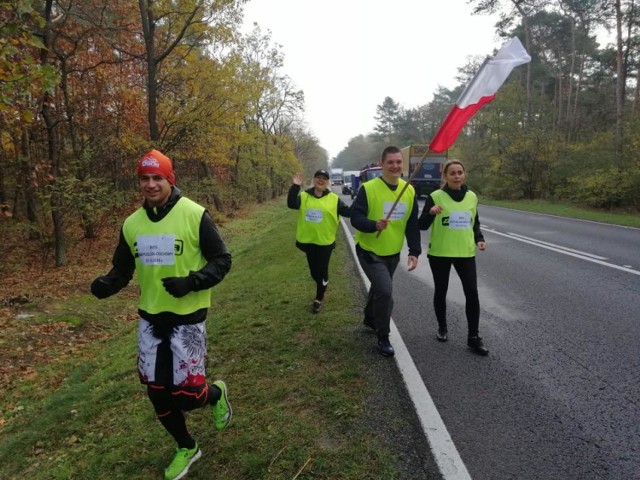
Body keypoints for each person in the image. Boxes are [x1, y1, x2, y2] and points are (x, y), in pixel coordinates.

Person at [90, 149, 233, 479]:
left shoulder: (194, 214)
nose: (151, 185)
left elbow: (222, 260)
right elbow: (122, 269)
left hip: (188, 317)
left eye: (157, 178)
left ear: (170, 179)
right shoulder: (132, 224)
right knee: (157, 392)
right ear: (139, 182)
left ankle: (216, 394)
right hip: (151, 320)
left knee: (186, 395)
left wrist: (192, 282)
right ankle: (187, 446)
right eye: (144, 178)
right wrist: (105, 285)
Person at [350, 146, 421, 357]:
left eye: (399, 162)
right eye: (391, 162)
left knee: (380, 289)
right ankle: (383, 337)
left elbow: (411, 224)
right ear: (382, 164)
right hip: (369, 251)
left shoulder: (408, 190)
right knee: (385, 292)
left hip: (392, 252)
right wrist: (374, 225)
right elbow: (355, 218)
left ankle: (370, 318)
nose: (395, 166)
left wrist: (414, 251)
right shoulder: (368, 188)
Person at [418, 159, 489, 356]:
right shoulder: (435, 196)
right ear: (445, 176)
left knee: (472, 293)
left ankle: (473, 337)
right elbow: (421, 225)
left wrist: (479, 238)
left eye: (460, 172)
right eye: (452, 173)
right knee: (441, 291)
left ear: (464, 174)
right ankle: (442, 327)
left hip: (465, 253)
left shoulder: (472, 196)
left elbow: (475, 221)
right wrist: (431, 213)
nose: (457, 176)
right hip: (440, 253)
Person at [287, 169, 351, 313]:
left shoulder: (334, 199)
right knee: (314, 271)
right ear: (314, 179)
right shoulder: (304, 196)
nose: (321, 180)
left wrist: (362, 206)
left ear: (327, 182)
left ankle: (319, 298)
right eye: (318, 177)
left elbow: (348, 212)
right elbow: (291, 203)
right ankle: (322, 284)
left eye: (324, 178)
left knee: (322, 271)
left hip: (325, 242)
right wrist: (295, 186)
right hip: (309, 242)